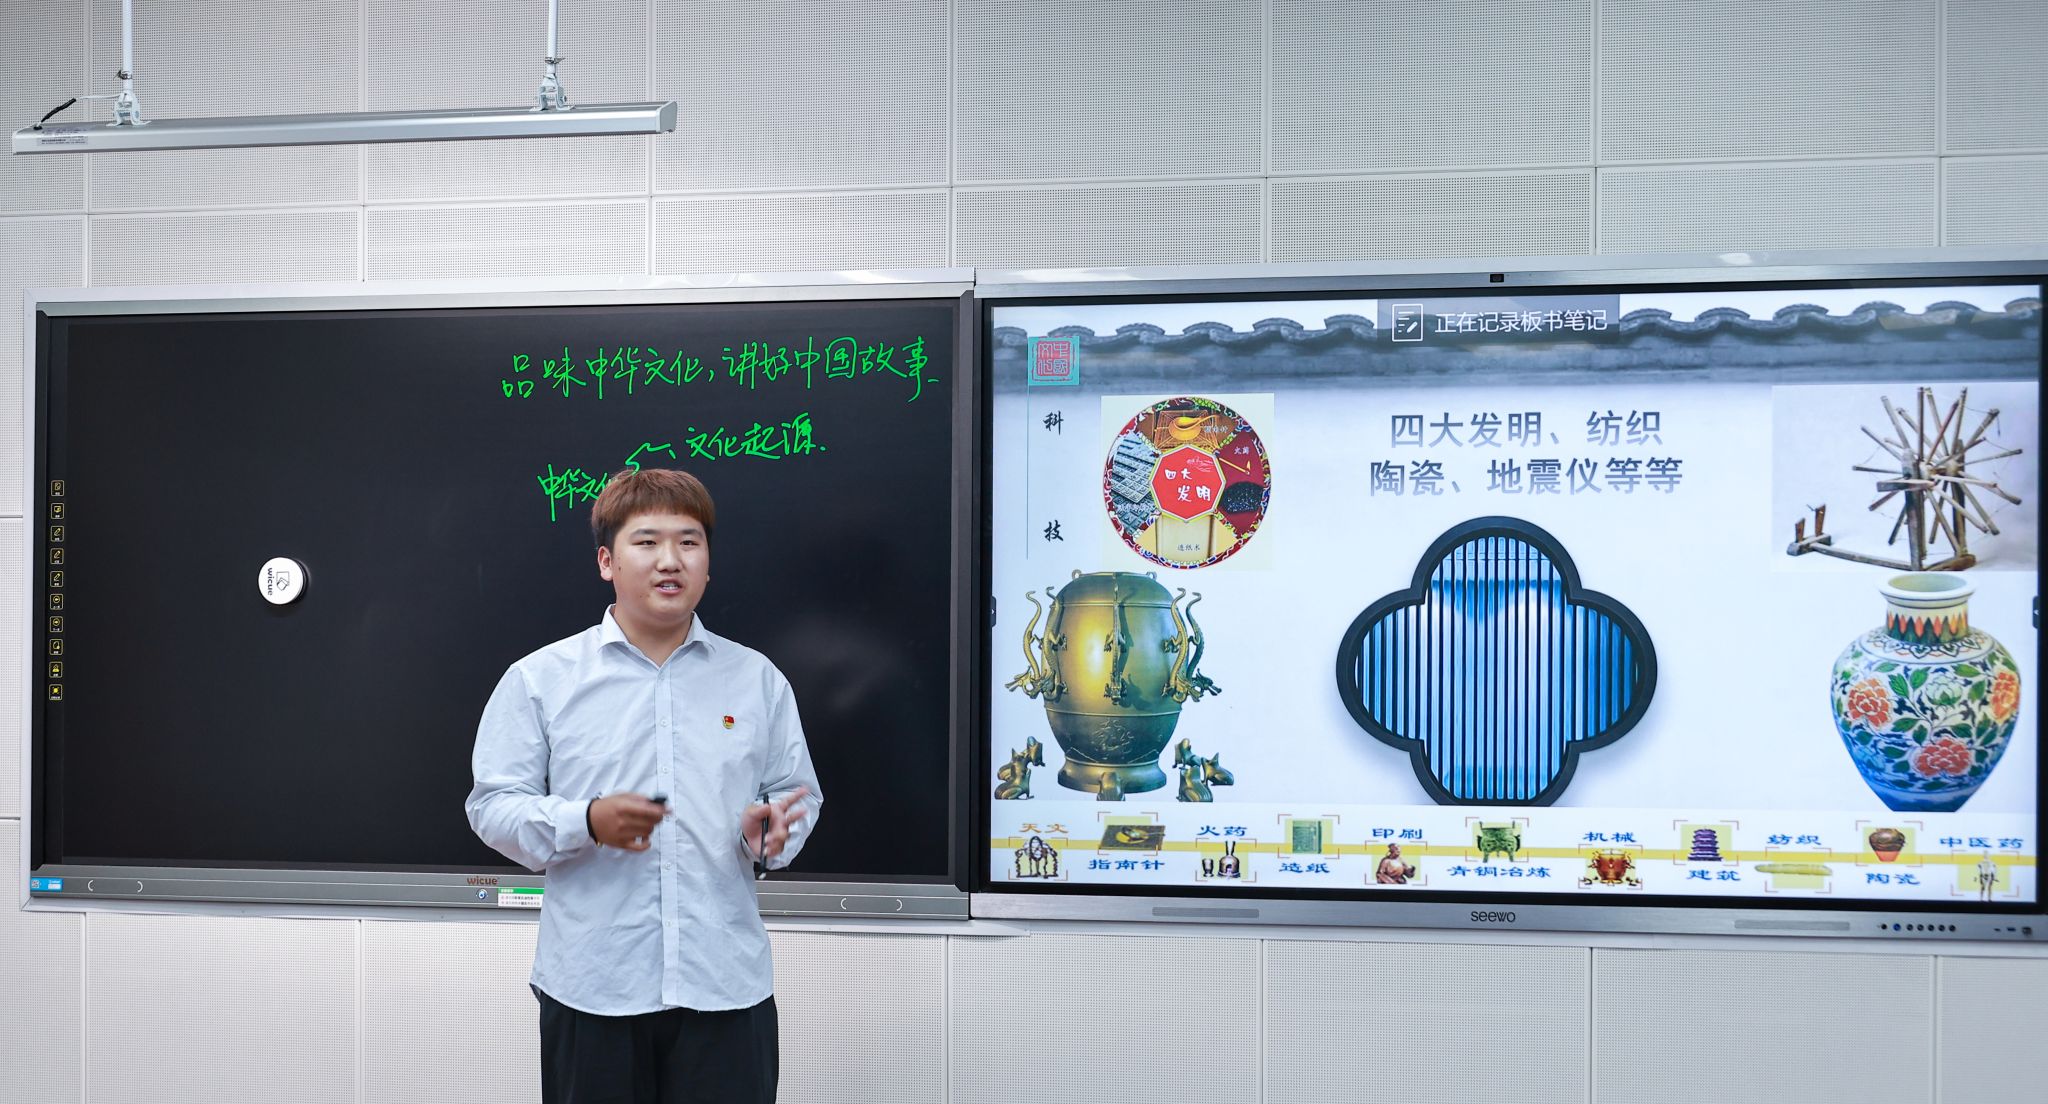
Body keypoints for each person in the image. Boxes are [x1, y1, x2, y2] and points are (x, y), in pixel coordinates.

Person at [466, 468, 822, 1104]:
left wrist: (770, 835)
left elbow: (797, 793)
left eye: (689, 542)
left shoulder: (757, 680)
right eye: (647, 541)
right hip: (593, 986)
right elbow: (493, 806)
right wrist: (586, 821)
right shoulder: (540, 679)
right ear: (607, 561)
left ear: (708, 562)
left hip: (724, 985)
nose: (670, 560)